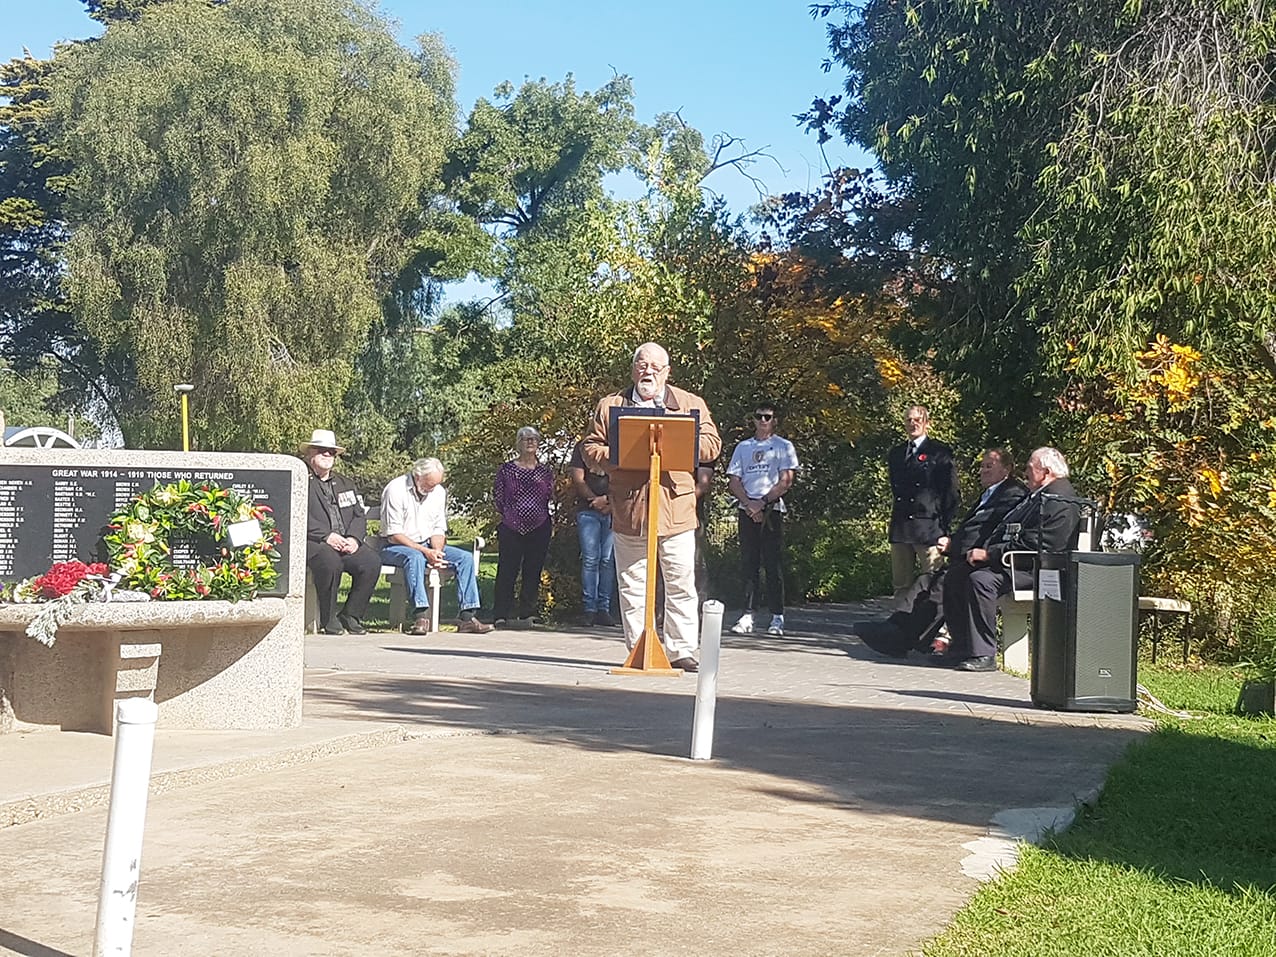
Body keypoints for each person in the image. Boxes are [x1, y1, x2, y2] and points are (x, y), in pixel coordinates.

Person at [582, 342, 721, 673]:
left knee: (680, 582)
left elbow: (713, 444)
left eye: (657, 367)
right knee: (631, 583)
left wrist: (680, 443)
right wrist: (615, 456)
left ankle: (681, 650)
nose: (649, 372)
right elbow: (589, 448)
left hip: (676, 509)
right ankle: (640, 648)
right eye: (643, 365)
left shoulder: (690, 403)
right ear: (633, 370)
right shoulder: (610, 405)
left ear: (668, 372)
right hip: (630, 510)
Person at [856, 448, 1027, 659]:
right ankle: (895, 626)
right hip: (967, 556)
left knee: (942, 586)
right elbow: (972, 527)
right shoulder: (990, 493)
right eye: (982, 466)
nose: (983, 471)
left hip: (987, 560)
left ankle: (904, 638)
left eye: (989, 466)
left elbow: (983, 529)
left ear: (1007, 469)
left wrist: (954, 546)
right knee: (924, 582)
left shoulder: (1013, 494)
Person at [941, 446, 1082, 671]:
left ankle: (984, 654)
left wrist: (989, 554)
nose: (1025, 473)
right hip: (1016, 560)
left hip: (1036, 568)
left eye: (1029, 468)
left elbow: (1038, 543)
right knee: (956, 575)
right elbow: (1011, 530)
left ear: (1045, 472)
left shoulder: (1058, 501)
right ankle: (961, 648)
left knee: (982, 581)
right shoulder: (1040, 496)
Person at [378, 457, 493, 636]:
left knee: (465, 558)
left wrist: (437, 552)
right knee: (414, 557)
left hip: (427, 545)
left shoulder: (438, 492)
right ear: (417, 477)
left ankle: (467, 617)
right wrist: (425, 552)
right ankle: (421, 616)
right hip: (395, 546)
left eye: (435, 485)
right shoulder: (396, 489)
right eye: (428, 484)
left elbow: (439, 528)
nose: (432, 489)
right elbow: (394, 534)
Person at [727, 402, 799, 636]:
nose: (763, 421)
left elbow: (786, 480)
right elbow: (734, 480)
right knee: (749, 563)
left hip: (771, 511)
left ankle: (777, 615)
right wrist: (749, 504)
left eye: (767, 417)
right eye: (759, 417)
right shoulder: (743, 447)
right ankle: (748, 613)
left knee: (772, 564)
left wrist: (763, 502)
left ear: (774, 420)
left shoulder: (783, 447)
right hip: (747, 510)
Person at [301, 429, 382, 636]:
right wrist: (326, 536)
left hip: (346, 542)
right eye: (322, 450)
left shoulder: (345, 483)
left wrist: (354, 539)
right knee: (330, 562)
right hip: (315, 543)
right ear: (310, 453)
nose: (327, 455)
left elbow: (358, 515)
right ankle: (329, 619)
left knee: (371, 562)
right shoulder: (301, 480)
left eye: (331, 452)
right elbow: (297, 513)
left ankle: (352, 615)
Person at [888, 405, 960, 609]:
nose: (913, 424)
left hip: (929, 527)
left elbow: (950, 492)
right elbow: (897, 489)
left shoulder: (939, 452)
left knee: (934, 582)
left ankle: (937, 632)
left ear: (927, 423)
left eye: (918, 419)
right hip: (902, 527)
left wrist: (943, 526)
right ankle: (900, 630)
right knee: (901, 584)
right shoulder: (896, 454)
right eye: (909, 420)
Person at [492, 426, 554, 628]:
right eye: (525, 439)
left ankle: (527, 613)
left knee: (533, 570)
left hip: (540, 526)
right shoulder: (507, 470)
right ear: (518, 443)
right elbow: (499, 498)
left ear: (538, 444)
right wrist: (512, 515)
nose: (530, 442)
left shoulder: (544, 472)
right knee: (507, 570)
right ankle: (501, 613)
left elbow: (549, 496)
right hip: (511, 526)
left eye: (534, 439)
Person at [569, 438, 617, 627]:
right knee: (590, 559)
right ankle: (589, 609)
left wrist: (610, 501)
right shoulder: (582, 447)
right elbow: (578, 479)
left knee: (607, 560)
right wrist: (594, 500)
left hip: (613, 510)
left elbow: (624, 479)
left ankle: (603, 610)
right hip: (587, 510)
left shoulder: (619, 443)